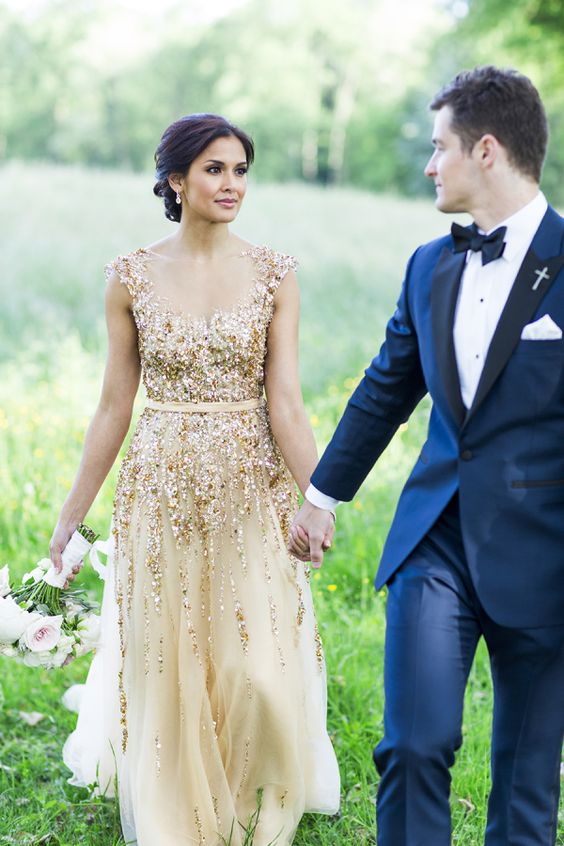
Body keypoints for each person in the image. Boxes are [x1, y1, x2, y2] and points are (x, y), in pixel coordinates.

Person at [289, 66, 564, 845]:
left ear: (486, 150)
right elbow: (386, 388)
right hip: (435, 535)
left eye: (437, 147)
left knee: (525, 779)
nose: (428, 165)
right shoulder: (428, 266)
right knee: (411, 745)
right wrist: (322, 495)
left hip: (547, 545)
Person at [51, 113, 340, 846]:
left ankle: (252, 784)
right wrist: (72, 517)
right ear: (176, 180)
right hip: (161, 485)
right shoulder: (130, 277)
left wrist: (318, 499)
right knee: (170, 655)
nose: (232, 183)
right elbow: (115, 405)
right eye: (215, 169)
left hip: (251, 484)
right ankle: (177, 796)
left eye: (241, 169)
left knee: (257, 663)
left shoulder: (277, 272)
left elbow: (287, 405)